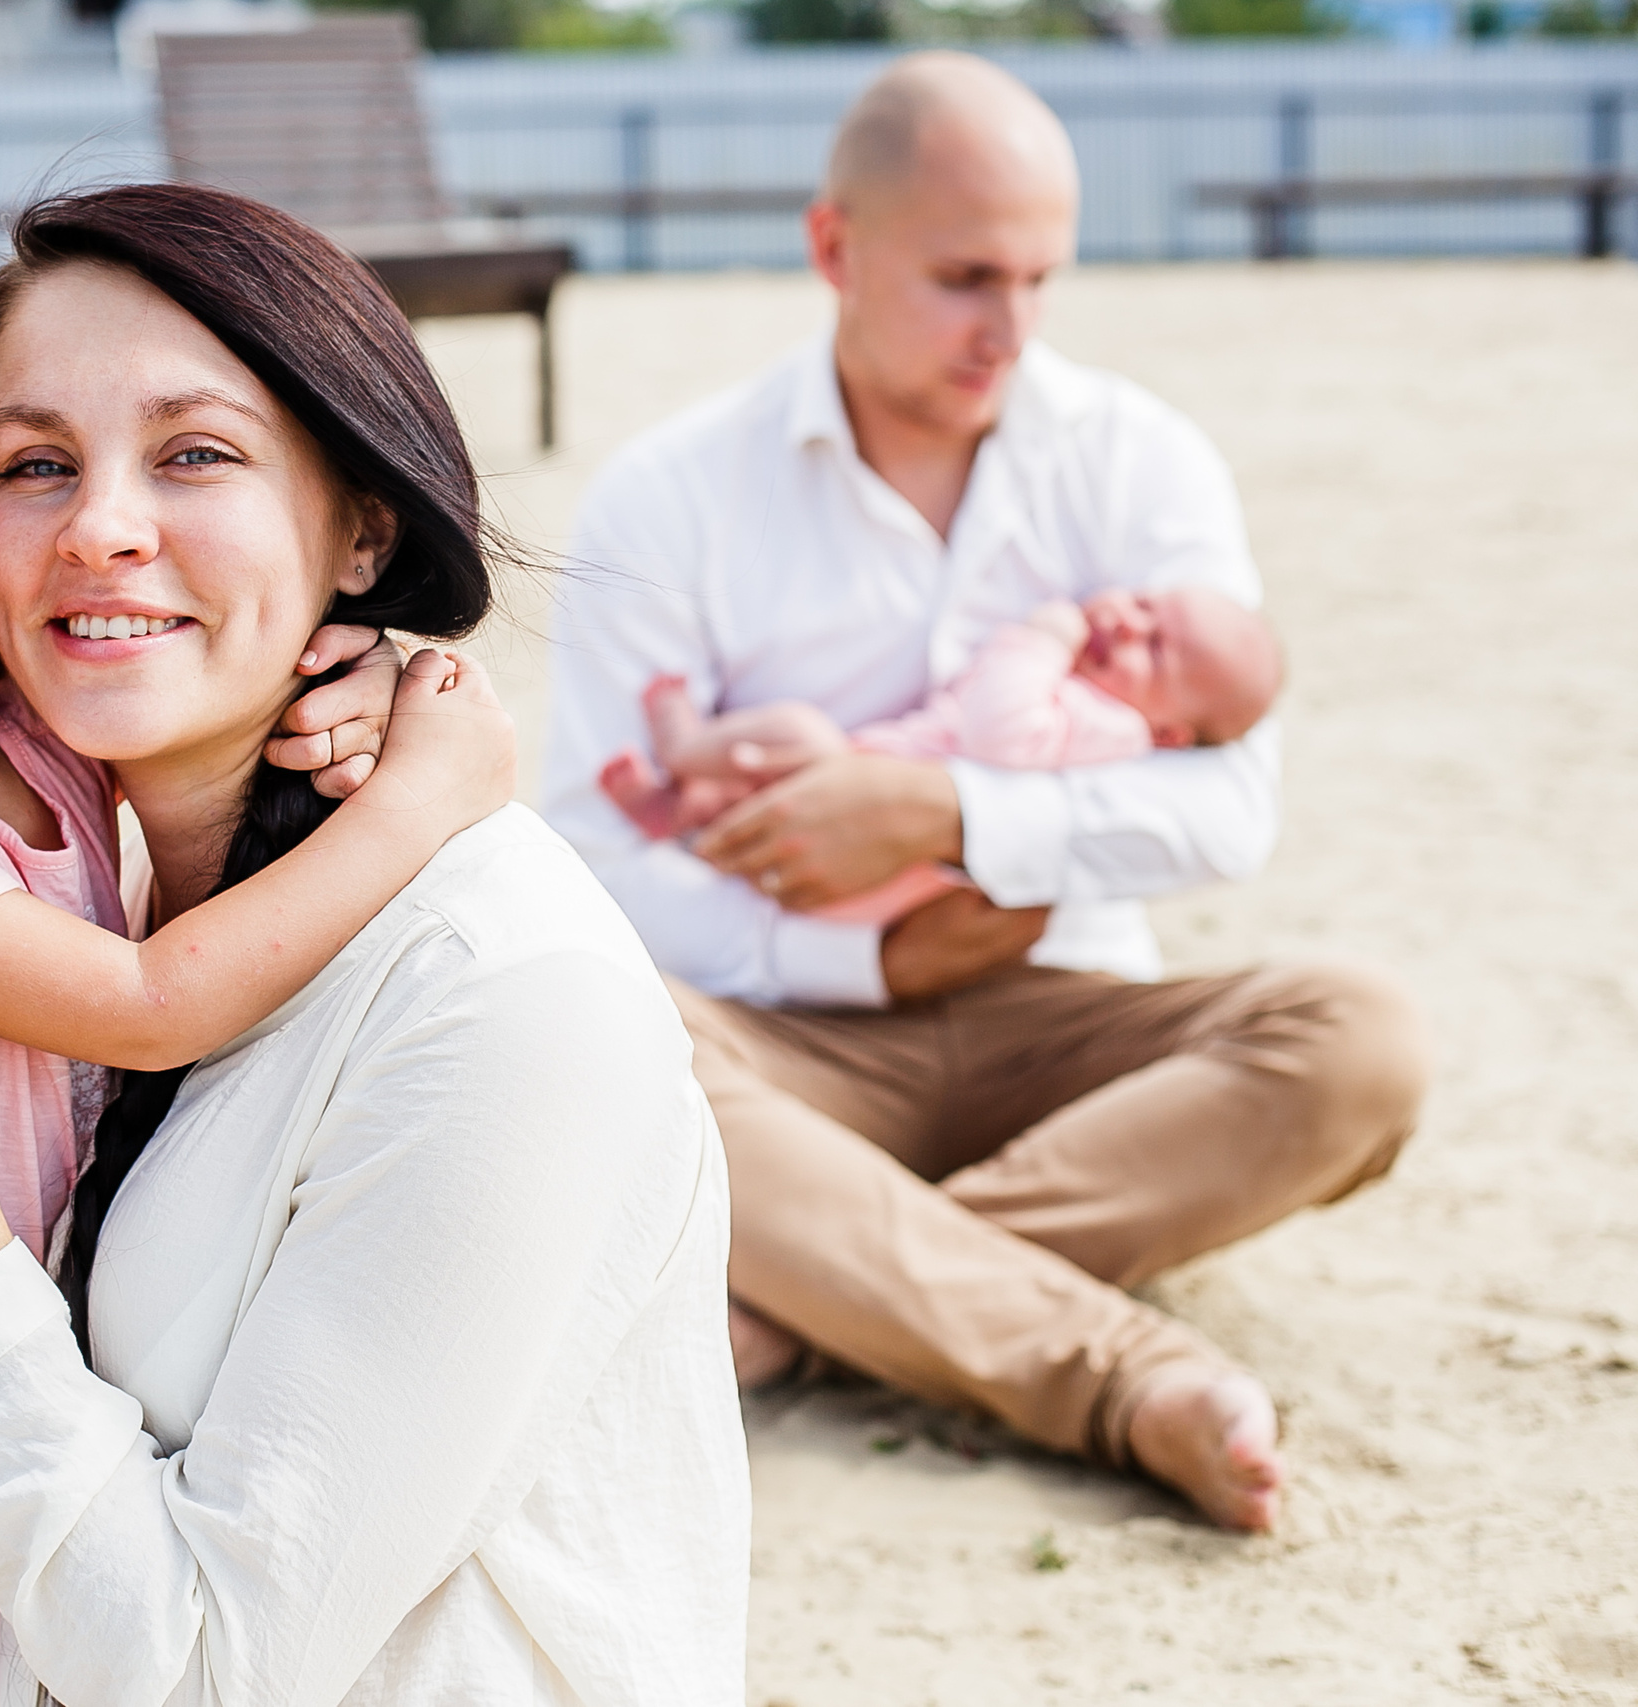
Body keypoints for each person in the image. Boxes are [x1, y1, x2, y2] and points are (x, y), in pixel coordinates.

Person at [0, 181, 749, 1706]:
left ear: (360, 528)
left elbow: (196, 1672)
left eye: (194, 454)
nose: (101, 528)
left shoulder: (499, 998)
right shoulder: (28, 858)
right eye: (35, 463)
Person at [542, 52, 1427, 1533]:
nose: (1008, 328)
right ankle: (1109, 1368)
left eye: (1038, 279)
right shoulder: (670, 492)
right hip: (774, 1046)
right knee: (584, 1033)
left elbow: (1231, 812)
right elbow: (594, 860)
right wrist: (858, 951)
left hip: (1065, 1023)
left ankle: (828, 1294)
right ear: (835, 245)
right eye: (966, 277)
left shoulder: (1138, 460)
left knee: (1363, 1040)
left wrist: (936, 813)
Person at [598, 587, 1284, 923]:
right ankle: (679, 808)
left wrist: (1040, 640)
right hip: (878, 798)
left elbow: (1000, 732)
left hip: (883, 846)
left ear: (1167, 732)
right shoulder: (1100, 701)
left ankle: (685, 750)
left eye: (1154, 649)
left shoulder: (1108, 725)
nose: (1127, 622)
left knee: (803, 735)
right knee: (773, 778)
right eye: (1144, 603)